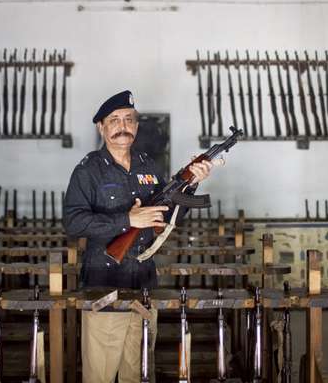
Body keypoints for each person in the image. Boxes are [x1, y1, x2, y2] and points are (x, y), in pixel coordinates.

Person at [63, 90, 216, 383]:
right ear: (101, 127)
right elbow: (73, 223)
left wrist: (191, 185)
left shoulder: (149, 166)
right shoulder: (88, 170)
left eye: (129, 119)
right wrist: (127, 219)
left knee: (140, 372)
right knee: (101, 375)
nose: (123, 126)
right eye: (115, 120)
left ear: (136, 126)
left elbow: (167, 217)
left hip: (144, 283)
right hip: (103, 287)